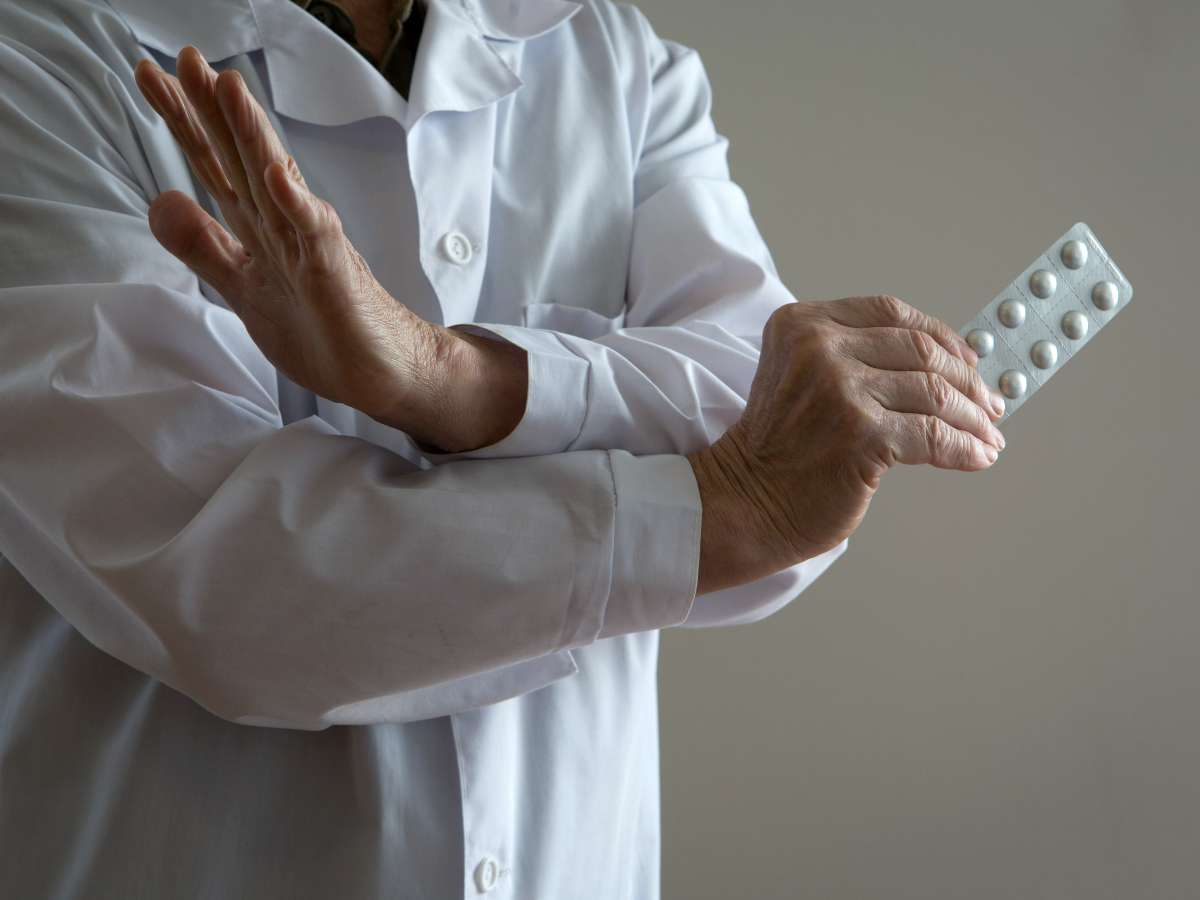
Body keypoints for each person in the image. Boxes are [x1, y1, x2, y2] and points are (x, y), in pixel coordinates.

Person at [0, 0, 1006, 896]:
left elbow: (764, 414)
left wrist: (452, 380)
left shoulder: (615, 55)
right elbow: (227, 578)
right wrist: (719, 514)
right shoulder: (40, 55)